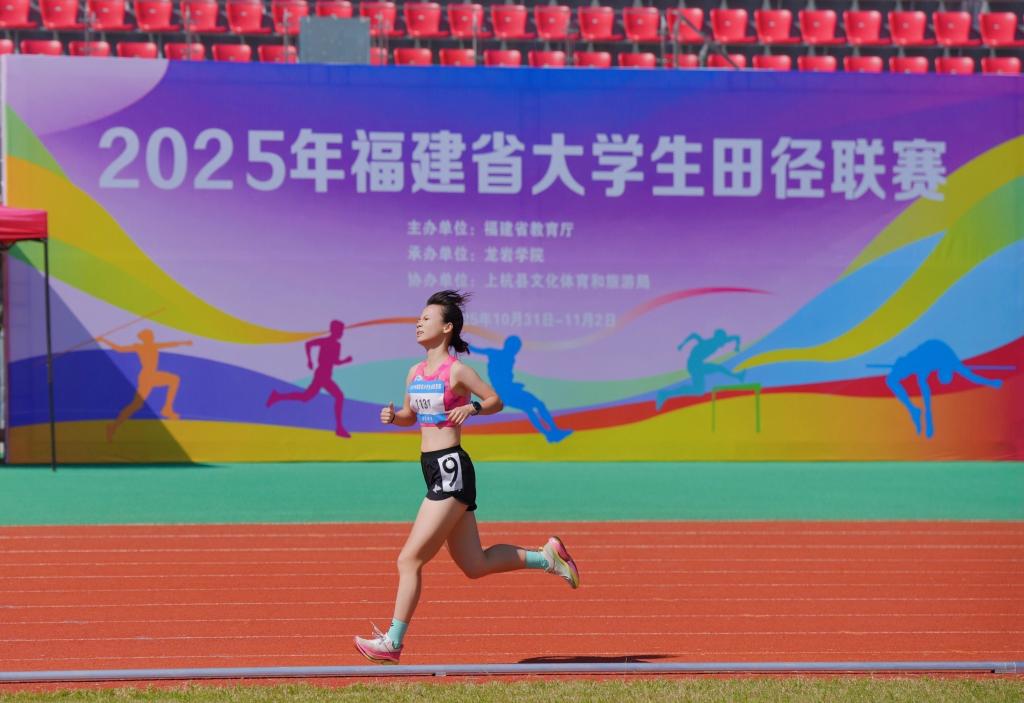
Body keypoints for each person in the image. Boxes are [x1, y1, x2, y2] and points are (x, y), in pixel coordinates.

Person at [354, 290, 580, 665]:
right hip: (431, 468)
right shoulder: (414, 372)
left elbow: (495, 400)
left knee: (409, 560)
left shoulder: (457, 371)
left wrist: (472, 409)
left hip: (450, 469)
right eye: (419, 318)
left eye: (427, 318)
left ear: (447, 328)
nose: (419, 323)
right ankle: (547, 557)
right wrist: (395, 417)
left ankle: (393, 642)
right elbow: (412, 416)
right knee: (475, 565)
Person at [885, 339, 1003, 438]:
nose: (941, 375)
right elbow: (923, 385)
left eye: (942, 376)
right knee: (892, 380)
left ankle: (914, 411)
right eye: (942, 376)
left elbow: (972, 377)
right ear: (945, 372)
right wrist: (929, 419)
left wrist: (992, 382)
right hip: (925, 352)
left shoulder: (953, 363)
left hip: (924, 357)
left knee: (895, 380)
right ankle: (913, 409)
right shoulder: (944, 361)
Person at [469, 335, 572, 443]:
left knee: (531, 408)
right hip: (505, 392)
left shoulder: (510, 358)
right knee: (537, 405)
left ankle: (551, 433)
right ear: (508, 346)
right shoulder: (495, 353)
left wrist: (514, 385)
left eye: (517, 348)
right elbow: (476, 350)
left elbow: (503, 377)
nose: (516, 351)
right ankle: (552, 433)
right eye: (515, 348)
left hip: (509, 389)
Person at [97, 329, 192, 441]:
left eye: (151, 335)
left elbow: (170, 344)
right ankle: (113, 426)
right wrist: (104, 340)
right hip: (147, 376)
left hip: (152, 375)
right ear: (145, 338)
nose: (152, 337)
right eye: (149, 335)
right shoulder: (140, 347)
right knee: (136, 405)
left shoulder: (153, 345)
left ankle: (167, 408)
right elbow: (119, 349)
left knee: (174, 380)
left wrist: (184, 342)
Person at [267, 320, 353, 437]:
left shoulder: (337, 345)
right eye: (340, 331)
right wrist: (309, 360)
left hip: (325, 375)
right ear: (334, 330)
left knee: (305, 397)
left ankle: (277, 396)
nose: (341, 333)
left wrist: (345, 361)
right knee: (339, 396)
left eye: (342, 331)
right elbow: (308, 344)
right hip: (322, 375)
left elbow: (335, 361)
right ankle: (339, 428)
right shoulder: (325, 341)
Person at [656, 329, 745, 411]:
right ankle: (665, 394)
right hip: (694, 364)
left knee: (699, 390)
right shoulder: (710, 344)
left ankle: (738, 376)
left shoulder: (717, 342)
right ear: (717, 339)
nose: (723, 344)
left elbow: (736, 337)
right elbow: (694, 336)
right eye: (722, 341)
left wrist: (737, 346)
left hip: (698, 364)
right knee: (712, 375)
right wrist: (683, 344)